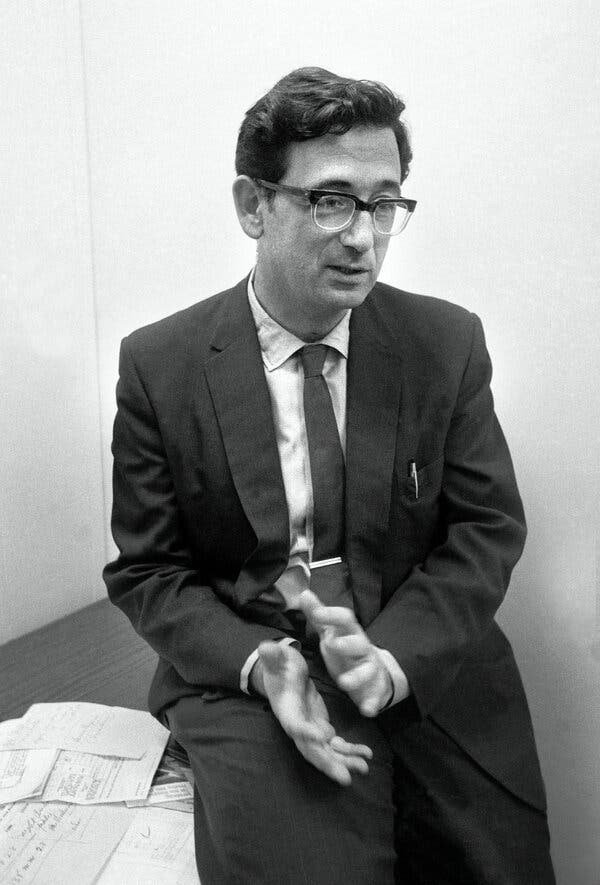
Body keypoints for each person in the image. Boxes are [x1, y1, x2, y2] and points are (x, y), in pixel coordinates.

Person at [104, 67, 555, 884]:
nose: (364, 236)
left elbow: (486, 530)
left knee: (498, 865)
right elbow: (149, 570)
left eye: (385, 204)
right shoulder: (160, 365)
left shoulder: (443, 343)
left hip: (421, 653)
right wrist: (256, 661)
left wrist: (390, 659)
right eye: (332, 199)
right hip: (256, 667)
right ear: (254, 206)